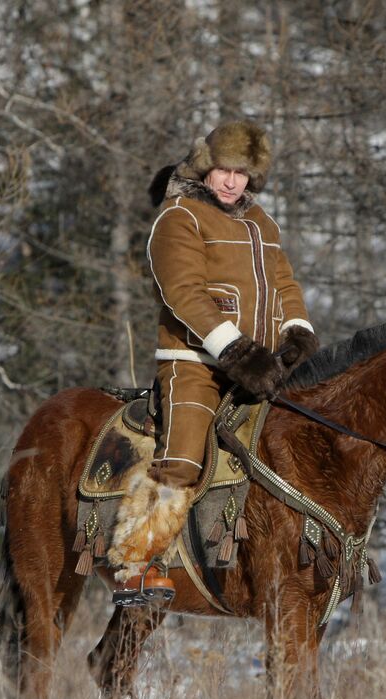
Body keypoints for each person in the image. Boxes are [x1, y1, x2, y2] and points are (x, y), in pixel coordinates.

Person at [107, 120, 319, 597]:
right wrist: (236, 351)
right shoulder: (179, 216)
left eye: (242, 174)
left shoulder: (263, 224)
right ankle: (137, 561)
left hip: (262, 367)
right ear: (206, 167)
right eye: (223, 169)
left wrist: (298, 333)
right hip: (194, 362)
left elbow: (284, 285)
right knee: (182, 458)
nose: (231, 182)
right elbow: (183, 292)